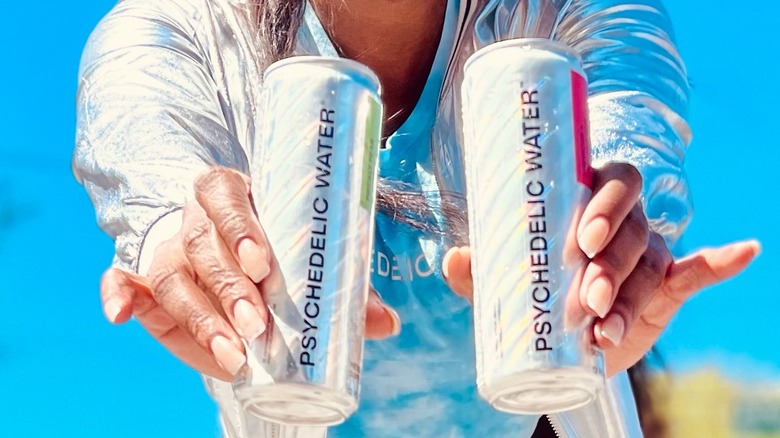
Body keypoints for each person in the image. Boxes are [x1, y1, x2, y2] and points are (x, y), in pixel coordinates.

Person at [73, 0, 759, 436]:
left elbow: (628, 122)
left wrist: (615, 256)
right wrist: (179, 244)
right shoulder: (172, 31)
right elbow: (147, 156)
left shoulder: (573, 16)